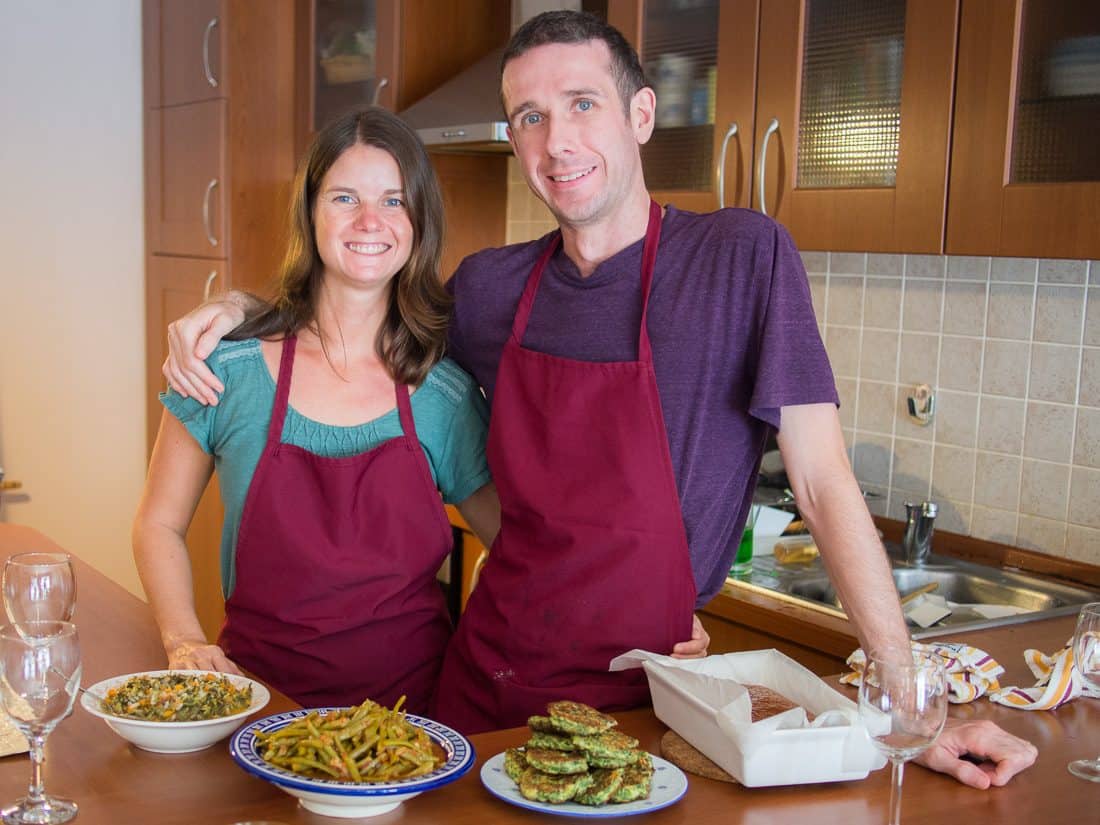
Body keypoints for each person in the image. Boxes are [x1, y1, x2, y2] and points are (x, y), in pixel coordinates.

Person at [160, 12, 1037, 787]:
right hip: (478, 688)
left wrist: (908, 710)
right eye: (530, 117)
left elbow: (822, 483)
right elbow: (353, 308)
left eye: (582, 103)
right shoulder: (491, 287)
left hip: (645, 697)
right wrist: (240, 310)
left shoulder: (741, 259)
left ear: (642, 115)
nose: (556, 140)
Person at [132, 105, 501, 715]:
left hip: (410, 721)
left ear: (419, 221)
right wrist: (184, 642)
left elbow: (510, 545)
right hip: (254, 704)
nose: (369, 221)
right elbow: (157, 524)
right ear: (309, 211)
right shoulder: (226, 370)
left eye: (393, 200)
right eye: (343, 198)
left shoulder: (444, 394)